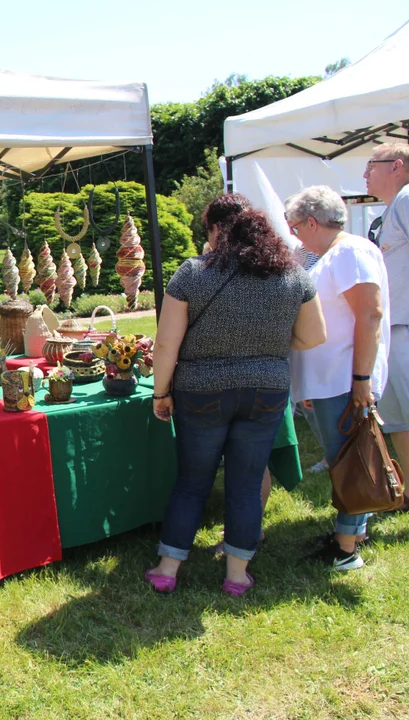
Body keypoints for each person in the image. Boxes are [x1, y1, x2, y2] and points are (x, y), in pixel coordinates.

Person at [148, 196, 325, 595]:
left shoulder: (193, 273)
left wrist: (161, 393)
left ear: (216, 231)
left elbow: (166, 344)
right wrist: (269, 345)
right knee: (246, 484)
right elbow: (315, 336)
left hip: (201, 391)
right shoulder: (293, 276)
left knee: (192, 482)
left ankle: (167, 568)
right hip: (266, 390)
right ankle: (236, 575)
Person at [286, 185, 391, 571]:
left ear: (312, 222)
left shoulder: (350, 252)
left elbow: (370, 314)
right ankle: (351, 532)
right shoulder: (338, 253)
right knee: (343, 460)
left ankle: (347, 548)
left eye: (295, 227)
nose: (294, 235)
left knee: (350, 463)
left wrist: (361, 378)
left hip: (343, 381)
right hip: (329, 381)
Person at [364, 143, 409, 512]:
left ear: (396, 166)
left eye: (371, 165)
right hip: (397, 331)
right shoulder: (394, 207)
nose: (365, 174)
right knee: (399, 420)